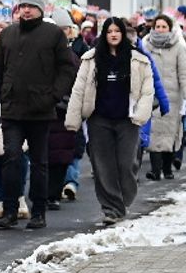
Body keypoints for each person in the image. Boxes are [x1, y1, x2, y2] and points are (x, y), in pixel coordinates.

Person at [0, 0, 76, 230]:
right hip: (12, 109)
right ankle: (10, 210)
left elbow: (66, 68)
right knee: (11, 158)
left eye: (31, 6)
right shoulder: (8, 34)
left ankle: (39, 211)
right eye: (23, 6)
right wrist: (2, 94)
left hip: (41, 109)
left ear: (40, 9)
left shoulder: (53, 34)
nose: (26, 10)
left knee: (39, 162)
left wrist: (53, 96)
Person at [65, 16, 155, 226]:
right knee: (103, 166)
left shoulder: (138, 59)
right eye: (109, 31)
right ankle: (111, 208)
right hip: (99, 119)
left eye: (117, 31)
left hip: (127, 120)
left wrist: (141, 114)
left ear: (123, 34)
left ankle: (123, 199)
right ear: (104, 35)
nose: (113, 35)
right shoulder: (91, 59)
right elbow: (79, 90)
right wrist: (73, 120)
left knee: (126, 164)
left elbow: (147, 91)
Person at [143, 14, 186, 180]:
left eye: (164, 27)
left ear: (170, 28)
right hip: (152, 96)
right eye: (158, 26)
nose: (160, 29)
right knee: (154, 133)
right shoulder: (146, 45)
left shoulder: (178, 47)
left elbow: (184, 74)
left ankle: (167, 168)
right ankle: (155, 170)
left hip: (173, 97)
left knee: (170, 133)